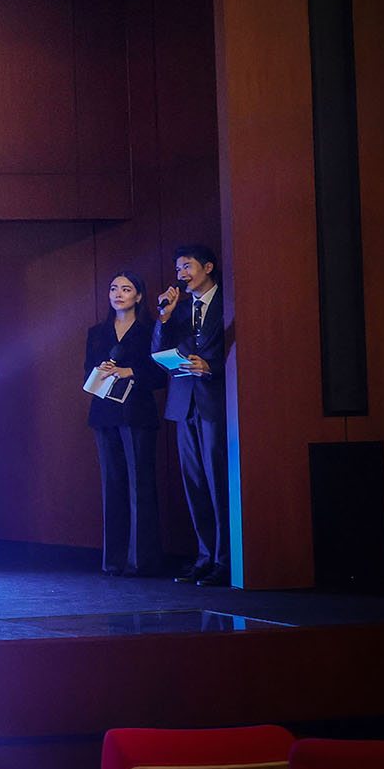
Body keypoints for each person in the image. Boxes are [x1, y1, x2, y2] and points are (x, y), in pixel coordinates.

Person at [154, 244, 230, 586]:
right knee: (195, 484)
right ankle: (204, 556)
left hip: (215, 402)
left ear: (208, 267)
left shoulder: (228, 301)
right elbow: (157, 353)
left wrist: (211, 367)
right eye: (178, 268)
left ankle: (226, 560)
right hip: (183, 405)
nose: (181, 274)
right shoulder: (179, 310)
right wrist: (164, 317)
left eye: (187, 266)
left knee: (218, 481)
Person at [83, 271, 164, 577]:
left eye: (126, 289)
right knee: (112, 485)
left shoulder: (150, 330)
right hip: (104, 413)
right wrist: (101, 370)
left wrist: (132, 371)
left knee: (139, 485)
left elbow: (160, 375)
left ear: (138, 296)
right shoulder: (97, 332)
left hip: (137, 414)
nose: (118, 294)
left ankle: (140, 560)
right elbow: (86, 374)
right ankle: (114, 559)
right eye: (114, 288)